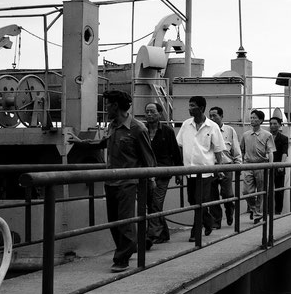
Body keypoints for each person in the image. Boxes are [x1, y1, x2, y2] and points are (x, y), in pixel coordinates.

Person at [70, 90, 156, 273]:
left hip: (128, 182)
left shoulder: (137, 128)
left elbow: (149, 160)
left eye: (107, 104)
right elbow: (103, 143)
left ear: (116, 106)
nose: (106, 108)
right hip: (110, 181)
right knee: (114, 221)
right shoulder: (112, 126)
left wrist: (150, 182)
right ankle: (127, 248)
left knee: (125, 222)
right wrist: (80, 143)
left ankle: (121, 258)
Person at [176, 96, 226, 241]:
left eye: (192, 106)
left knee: (200, 201)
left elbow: (218, 150)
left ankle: (195, 232)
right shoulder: (186, 125)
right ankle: (208, 220)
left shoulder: (212, 126)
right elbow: (179, 146)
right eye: (189, 105)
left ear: (201, 108)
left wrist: (220, 168)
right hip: (189, 171)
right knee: (193, 201)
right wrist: (179, 169)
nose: (189, 108)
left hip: (205, 171)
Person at [144, 102, 181, 244]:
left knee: (155, 203)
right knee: (151, 204)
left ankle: (151, 235)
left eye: (152, 112)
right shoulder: (142, 130)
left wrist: (178, 172)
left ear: (159, 114)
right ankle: (164, 233)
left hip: (163, 173)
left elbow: (175, 152)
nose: (149, 114)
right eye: (147, 111)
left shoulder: (167, 131)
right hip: (147, 173)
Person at [209, 106, 243, 228]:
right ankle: (216, 221)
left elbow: (236, 148)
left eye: (215, 115)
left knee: (227, 194)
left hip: (226, 166)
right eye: (210, 116)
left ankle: (230, 211)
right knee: (212, 196)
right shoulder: (207, 130)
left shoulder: (229, 130)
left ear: (221, 116)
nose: (212, 118)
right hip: (211, 167)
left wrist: (238, 165)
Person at [239, 109, 276, 223]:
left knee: (261, 191)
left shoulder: (267, 135)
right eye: (251, 117)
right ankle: (255, 209)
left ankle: (257, 214)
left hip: (261, 165)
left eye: (255, 118)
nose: (252, 120)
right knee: (246, 192)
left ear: (260, 120)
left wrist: (270, 165)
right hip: (248, 165)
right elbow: (242, 150)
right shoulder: (245, 135)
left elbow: (270, 151)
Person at [269, 117, 289, 214]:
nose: (272, 125)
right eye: (271, 124)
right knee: (267, 190)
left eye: (275, 123)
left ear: (280, 125)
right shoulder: (266, 137)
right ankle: (267, 211)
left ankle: (278, 211)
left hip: (278, 166)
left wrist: (281, 165)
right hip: (268, 166)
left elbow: (284, 153)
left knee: (279, 190)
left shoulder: (283, 138)